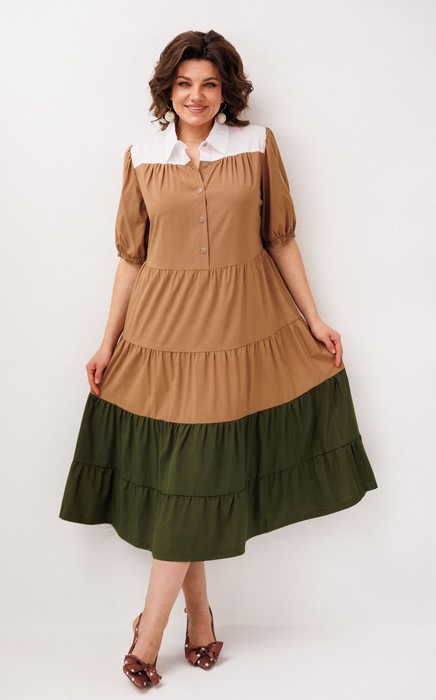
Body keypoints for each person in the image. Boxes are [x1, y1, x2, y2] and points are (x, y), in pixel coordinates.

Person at [59, 29, 378, 689]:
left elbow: (280, 239)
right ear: (167, 90)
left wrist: (314, 320)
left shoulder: (256, 145)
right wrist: (107, 341)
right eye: (184, 84)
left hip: (237, 332)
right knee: (190, 479)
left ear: (226, 90)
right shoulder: (142, 155)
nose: (196, 96)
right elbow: (132, 258)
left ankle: (151, 632)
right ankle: (194, 619)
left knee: (193, 478)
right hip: (162, 336)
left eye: (209, 84)